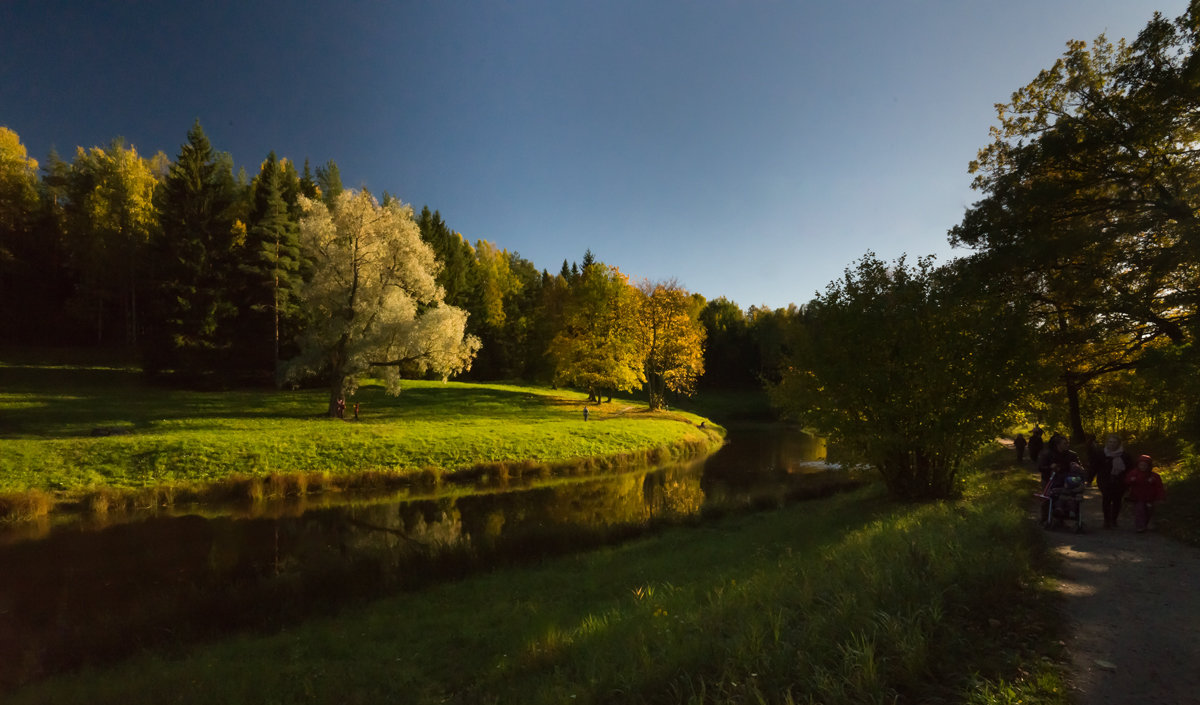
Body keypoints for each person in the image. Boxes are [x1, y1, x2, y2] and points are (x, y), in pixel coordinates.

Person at [1096, 433, 1132, 528]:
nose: (1112, 444)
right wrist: (1089, 479)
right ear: (1107, 443)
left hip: (1119, 481)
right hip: (1105, 480)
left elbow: (1130, 469)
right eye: (1110, 442)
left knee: (1117, 501)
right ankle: (1106, 520)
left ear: (1119, 444)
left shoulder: (1125, 456)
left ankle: (1114, 519)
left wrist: (1130, 482)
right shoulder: (1101, 454)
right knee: (1106, 499)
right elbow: (1095, 467)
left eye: (1114, 442)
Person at [1124, 454, 1165, 533]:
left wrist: (1160, 496)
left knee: (1149, 511)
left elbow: (1159, 487)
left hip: (1150, 497)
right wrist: (1131, 480)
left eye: (1145, 465)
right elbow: (1126, 482)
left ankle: (1145, 524)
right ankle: (1140, 526)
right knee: (1139, 510)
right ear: (1138, 465)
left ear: (1149, 466)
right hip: (1137, 497)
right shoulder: (1134, 473)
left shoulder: (1154, 476)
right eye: (1141, 465)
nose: (1143, 467)